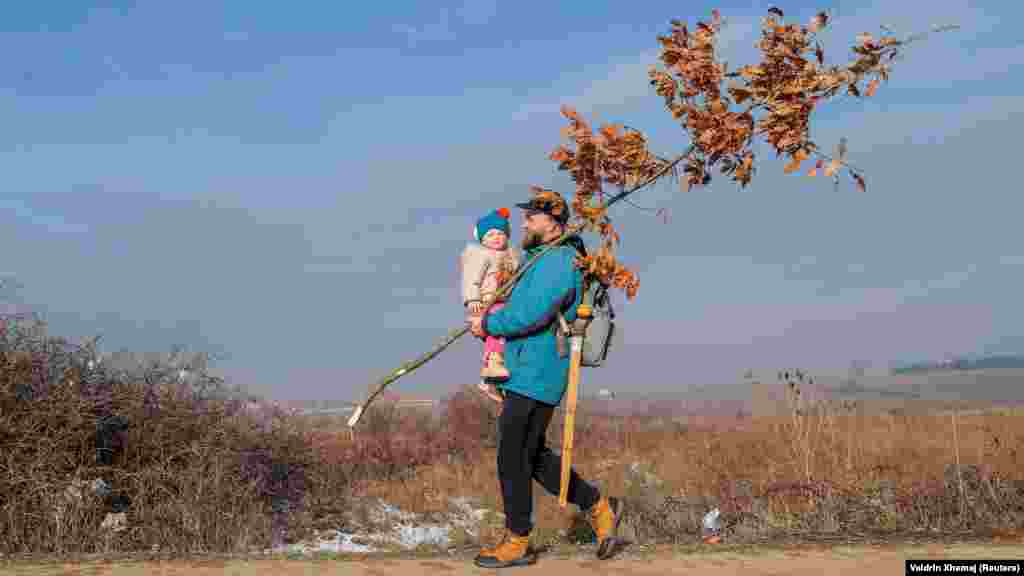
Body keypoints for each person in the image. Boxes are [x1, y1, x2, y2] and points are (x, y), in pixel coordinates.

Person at [468, 189, 622, 569]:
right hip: (526, 369)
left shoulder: (560, 260)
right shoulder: (540, 258)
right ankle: (598, 506)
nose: (523, 224)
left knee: (511, 454)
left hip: (540, 370)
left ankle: (517, 541)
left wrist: (487, 323)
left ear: (552, 222)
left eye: (530, 218)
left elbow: (533, 313)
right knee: (532, 457)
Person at [460, 207, 521, 402]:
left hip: (506, 300)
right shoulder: (481, 255)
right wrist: (472, 299)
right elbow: (471, 279)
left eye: (501, 233)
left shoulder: (511, 255)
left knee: (506, 335)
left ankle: (491, 380)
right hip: (488, 300)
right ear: (482, 238)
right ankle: (491, 364)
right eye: (491, 234)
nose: (496, 237)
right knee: (497, 330)